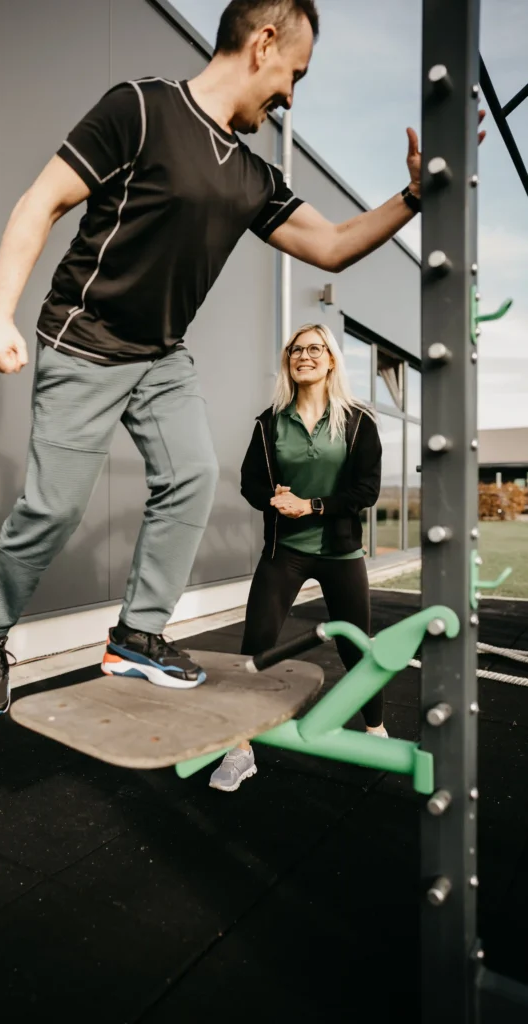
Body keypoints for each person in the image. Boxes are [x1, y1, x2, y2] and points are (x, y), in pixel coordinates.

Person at [0, 0, 424, 717]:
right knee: (54, 510)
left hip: (160, 357)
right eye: (294, 74)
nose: (290, 96)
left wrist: (413, 197)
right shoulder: (142, 110)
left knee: (192, 476)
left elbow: (332, 246)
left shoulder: (252, 176)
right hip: (83, 340)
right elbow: (41, 201)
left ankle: (136, 635)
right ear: (263, 43)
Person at [209, 323, 383, 792]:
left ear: (331, 359)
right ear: (288, 361)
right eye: (295, 350)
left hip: (340, 552)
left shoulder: (359, 421)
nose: (304, 356)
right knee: (256, 646)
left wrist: (312, 506)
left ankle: (376, 732)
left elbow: (366, 490)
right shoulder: (270, 422)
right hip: (284, 551)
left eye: (314, 349)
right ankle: (241, 747)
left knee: (357, 648)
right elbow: (250, 483)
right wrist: (273, 498)